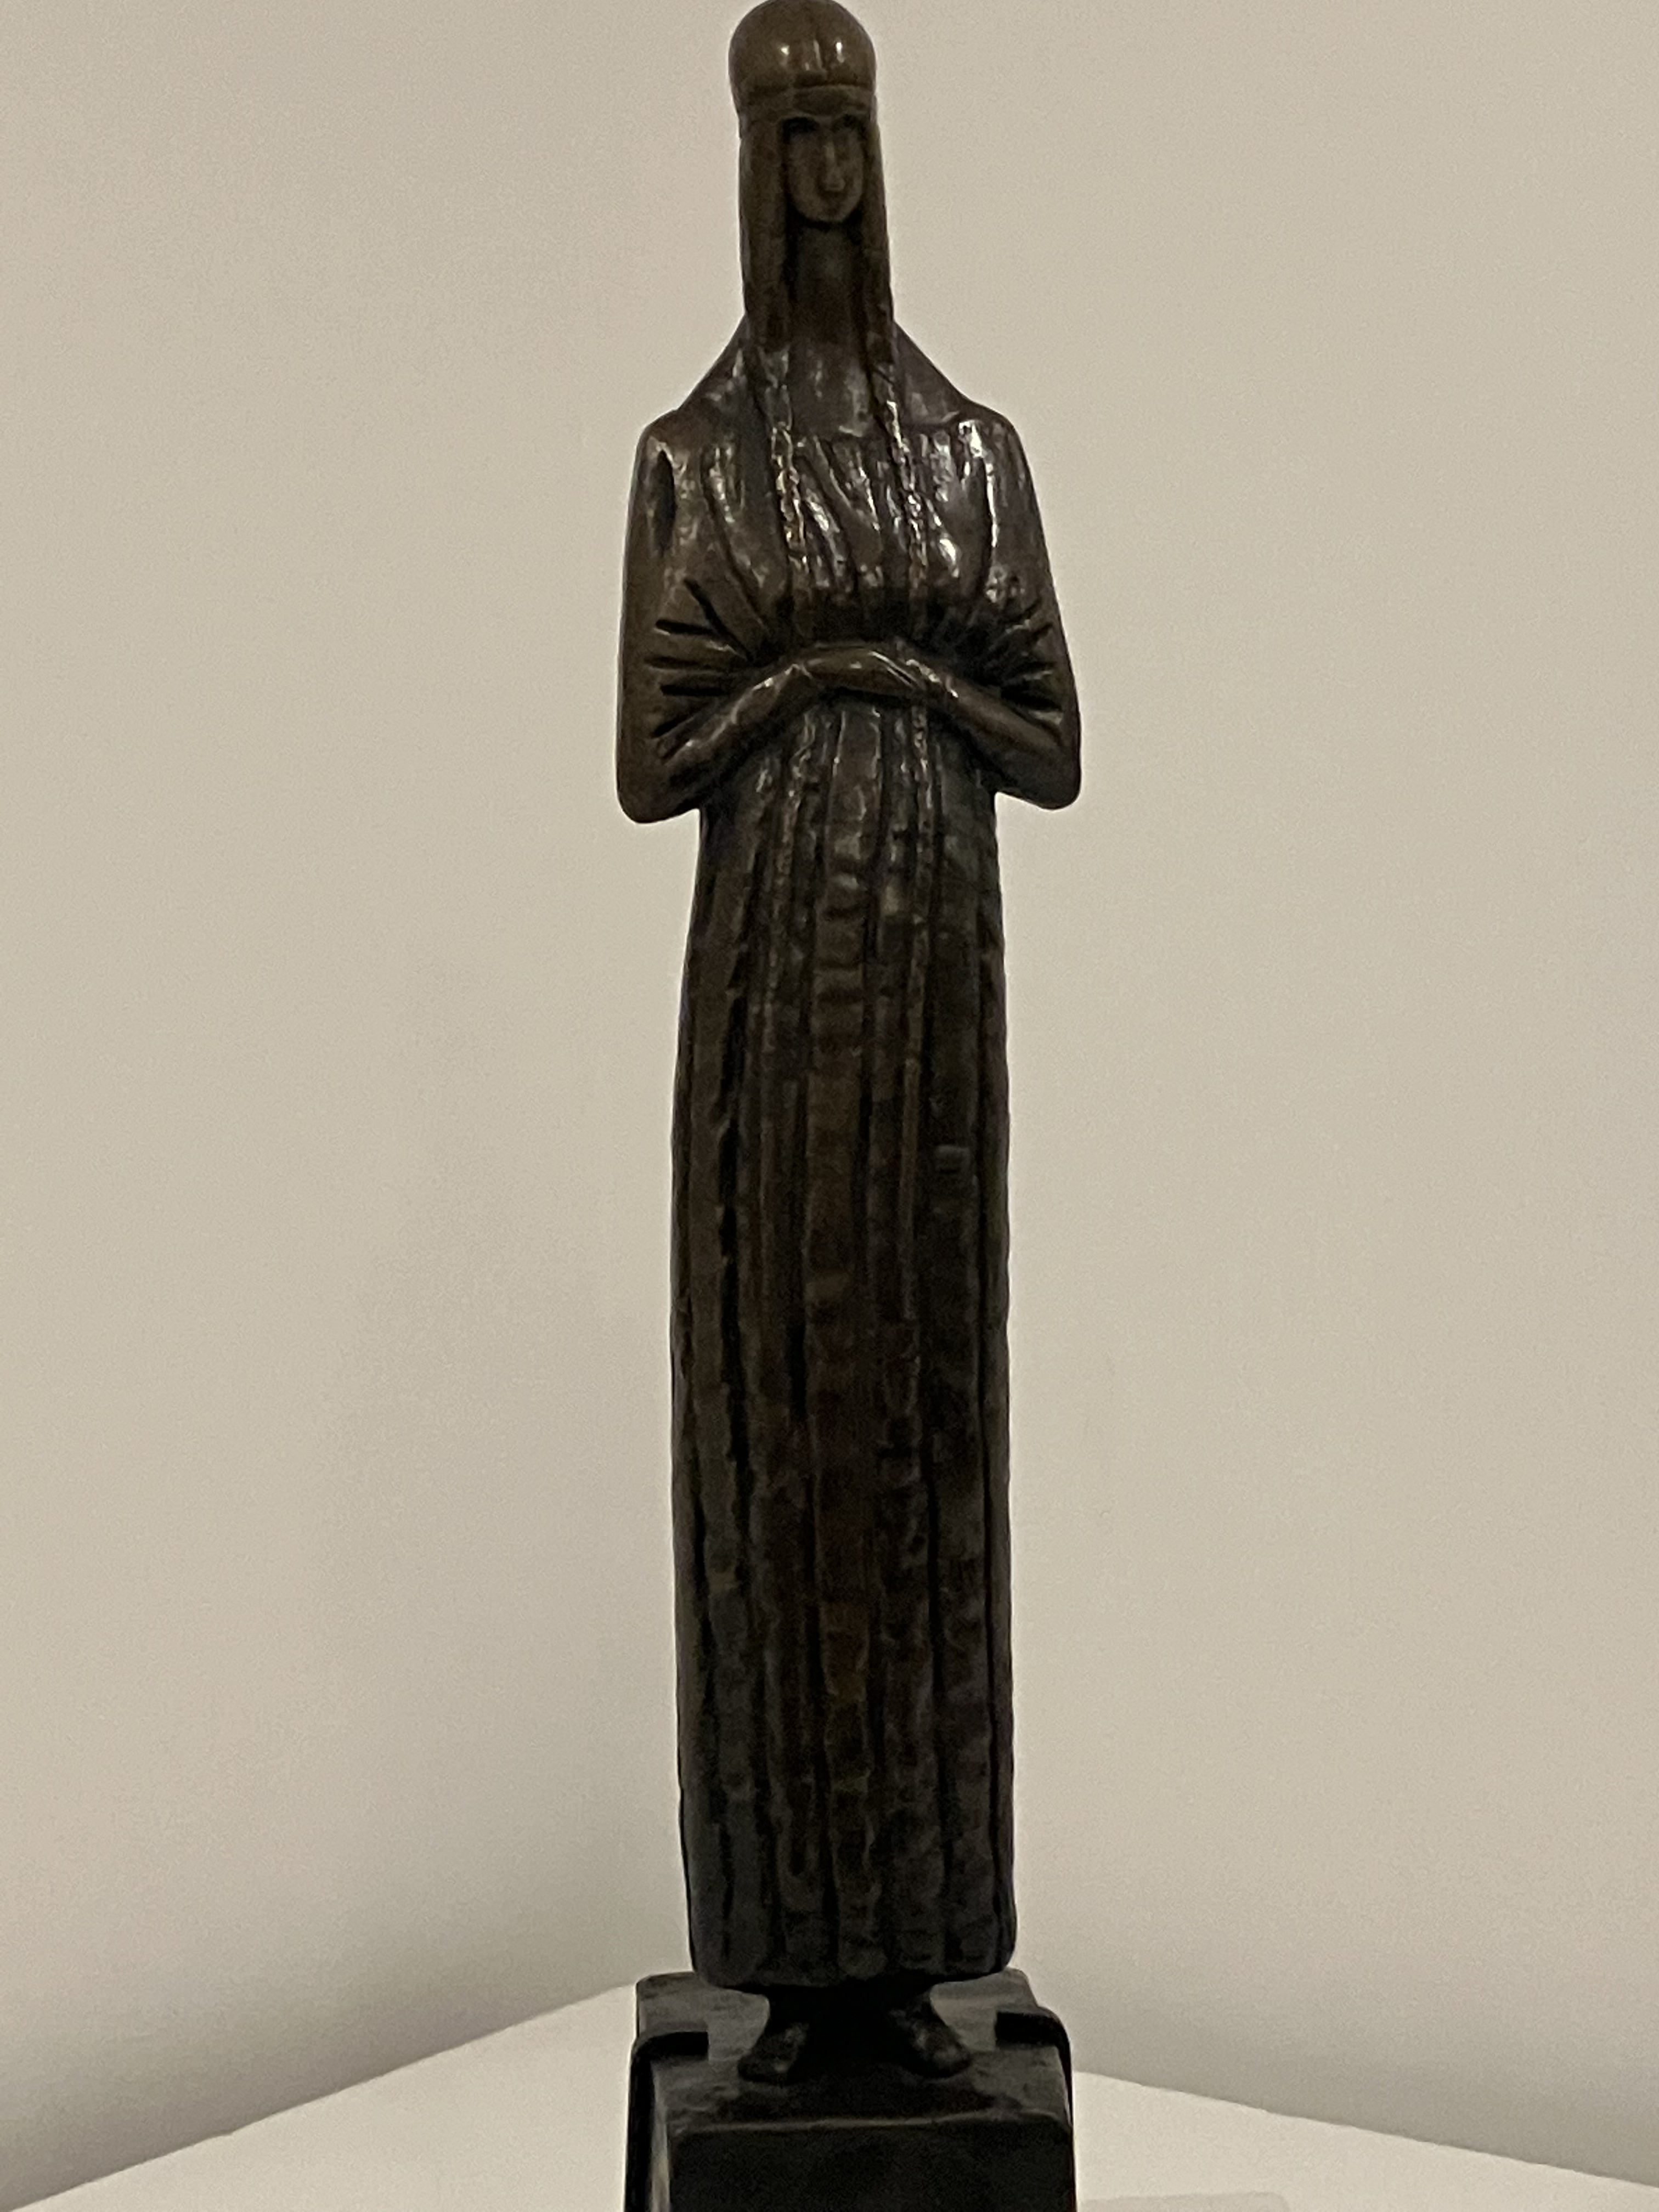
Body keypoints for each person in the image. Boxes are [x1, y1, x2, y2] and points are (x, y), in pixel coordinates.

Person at [616, 0, 1080, 2083]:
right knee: (780, 1420)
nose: (824, 169)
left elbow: (1051, 741)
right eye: (793, 132)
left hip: (935, 1013)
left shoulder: (971, 455)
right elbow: (652, 761)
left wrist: (886, 668)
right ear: (752, 159)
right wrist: (827, 687)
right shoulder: (695, 463)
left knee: (924, 1422)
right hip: (770, 1015)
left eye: (848, 130)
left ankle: (918, 1944)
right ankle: (792, 1954)